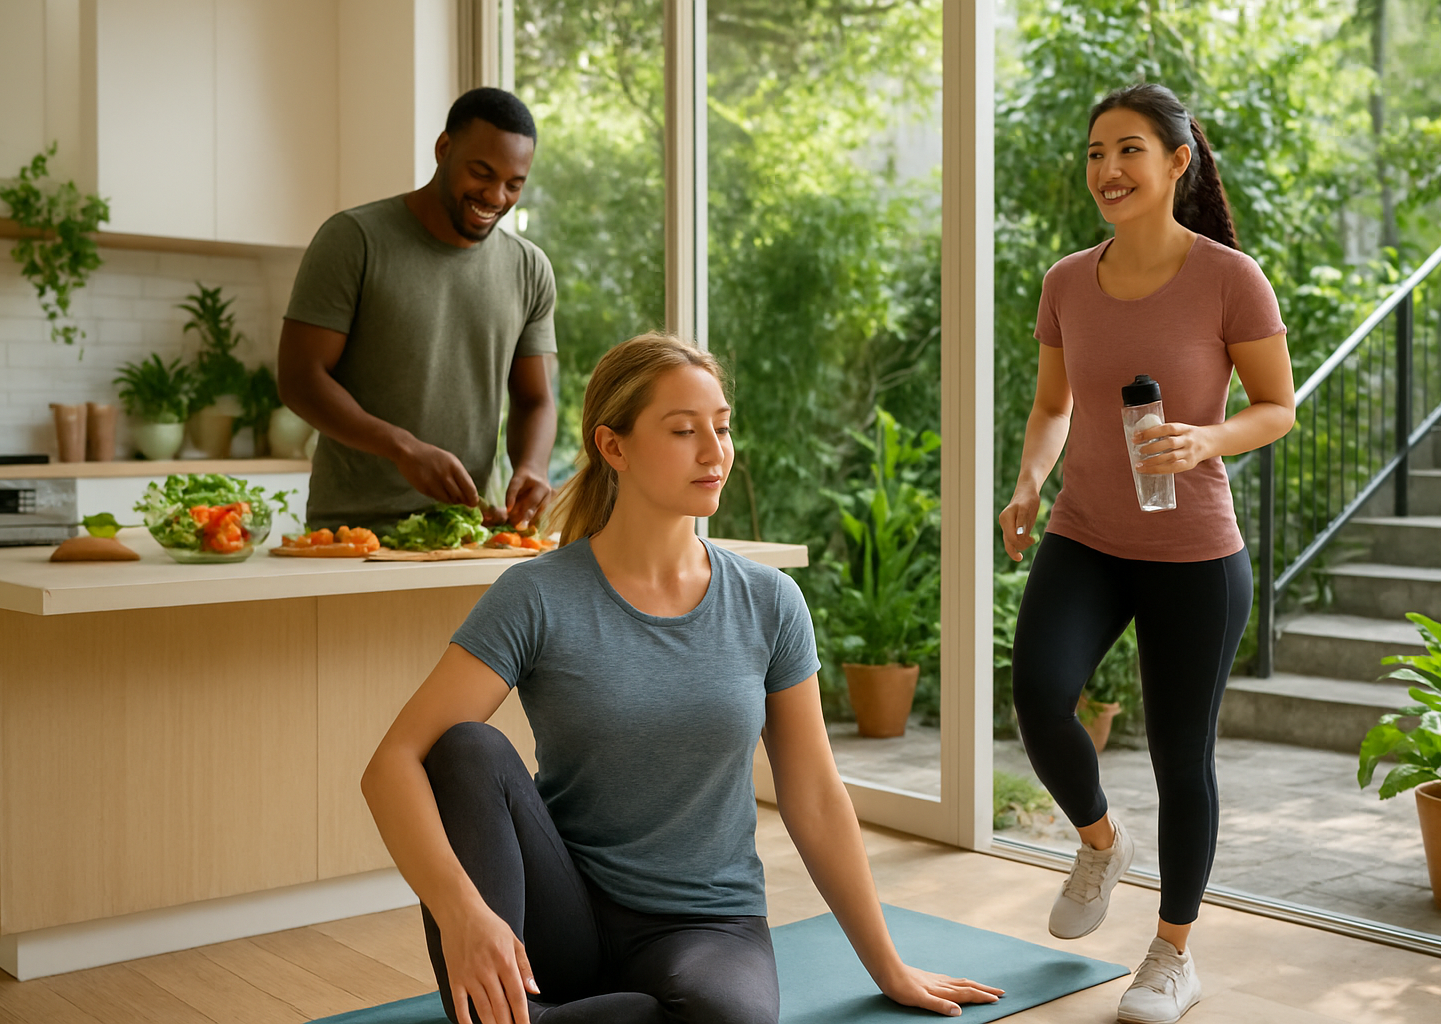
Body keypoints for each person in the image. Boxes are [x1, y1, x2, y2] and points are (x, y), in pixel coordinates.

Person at [362, 333, 1006, 1024]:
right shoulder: (537, 596)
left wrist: (889, 965)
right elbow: (392, 765)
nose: (714, 451)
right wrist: (462, 913)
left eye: (722, 429)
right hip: (563, 916)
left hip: (707, 927)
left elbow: (815, 797)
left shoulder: (769, 602)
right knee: (466, 748)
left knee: (730, 1016)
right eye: (683, 431)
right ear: (615, 447)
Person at [998, 84, 1295, 1024]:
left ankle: (1172, 956)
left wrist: (1208, 439)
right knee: (1040, 694)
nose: (1106, 170)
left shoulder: (1228, 279)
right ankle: (1098, 840)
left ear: (1178, 163)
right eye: (1094, 153)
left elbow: (1278, 407)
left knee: (1180, 755)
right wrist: (1027, 481)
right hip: (1086, 532)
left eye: (1128, 150)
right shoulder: (1065, 282)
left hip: (1194, 552)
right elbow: (1053, 407)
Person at [278, 87, 557, 535]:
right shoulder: (353, 240)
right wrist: (402, 448)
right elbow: (299, 379)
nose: (495, 196)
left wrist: (533, 466)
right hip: (354, 533)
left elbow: (536, 398)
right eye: (481, 173)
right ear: (444, 149)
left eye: (514, 184)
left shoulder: (528, 268)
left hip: (469, 530)